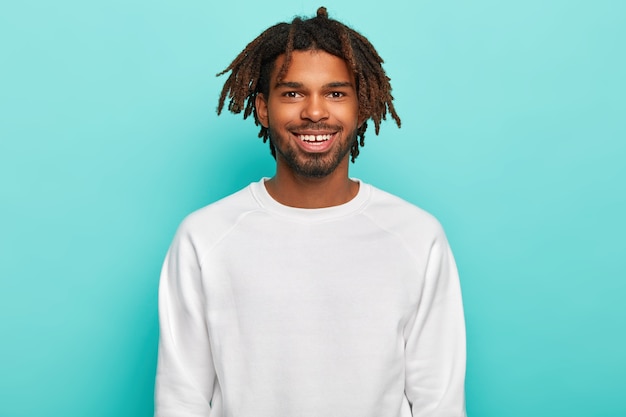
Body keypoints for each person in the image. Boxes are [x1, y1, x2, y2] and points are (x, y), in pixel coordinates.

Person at [155, 7, 466, 417]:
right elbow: (182, 399)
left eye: (335, 93)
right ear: (264, 108)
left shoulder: (417, 236)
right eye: (293, 93)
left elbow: (438, 403)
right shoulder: (204, 237)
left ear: (361, 106)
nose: (315, 112)